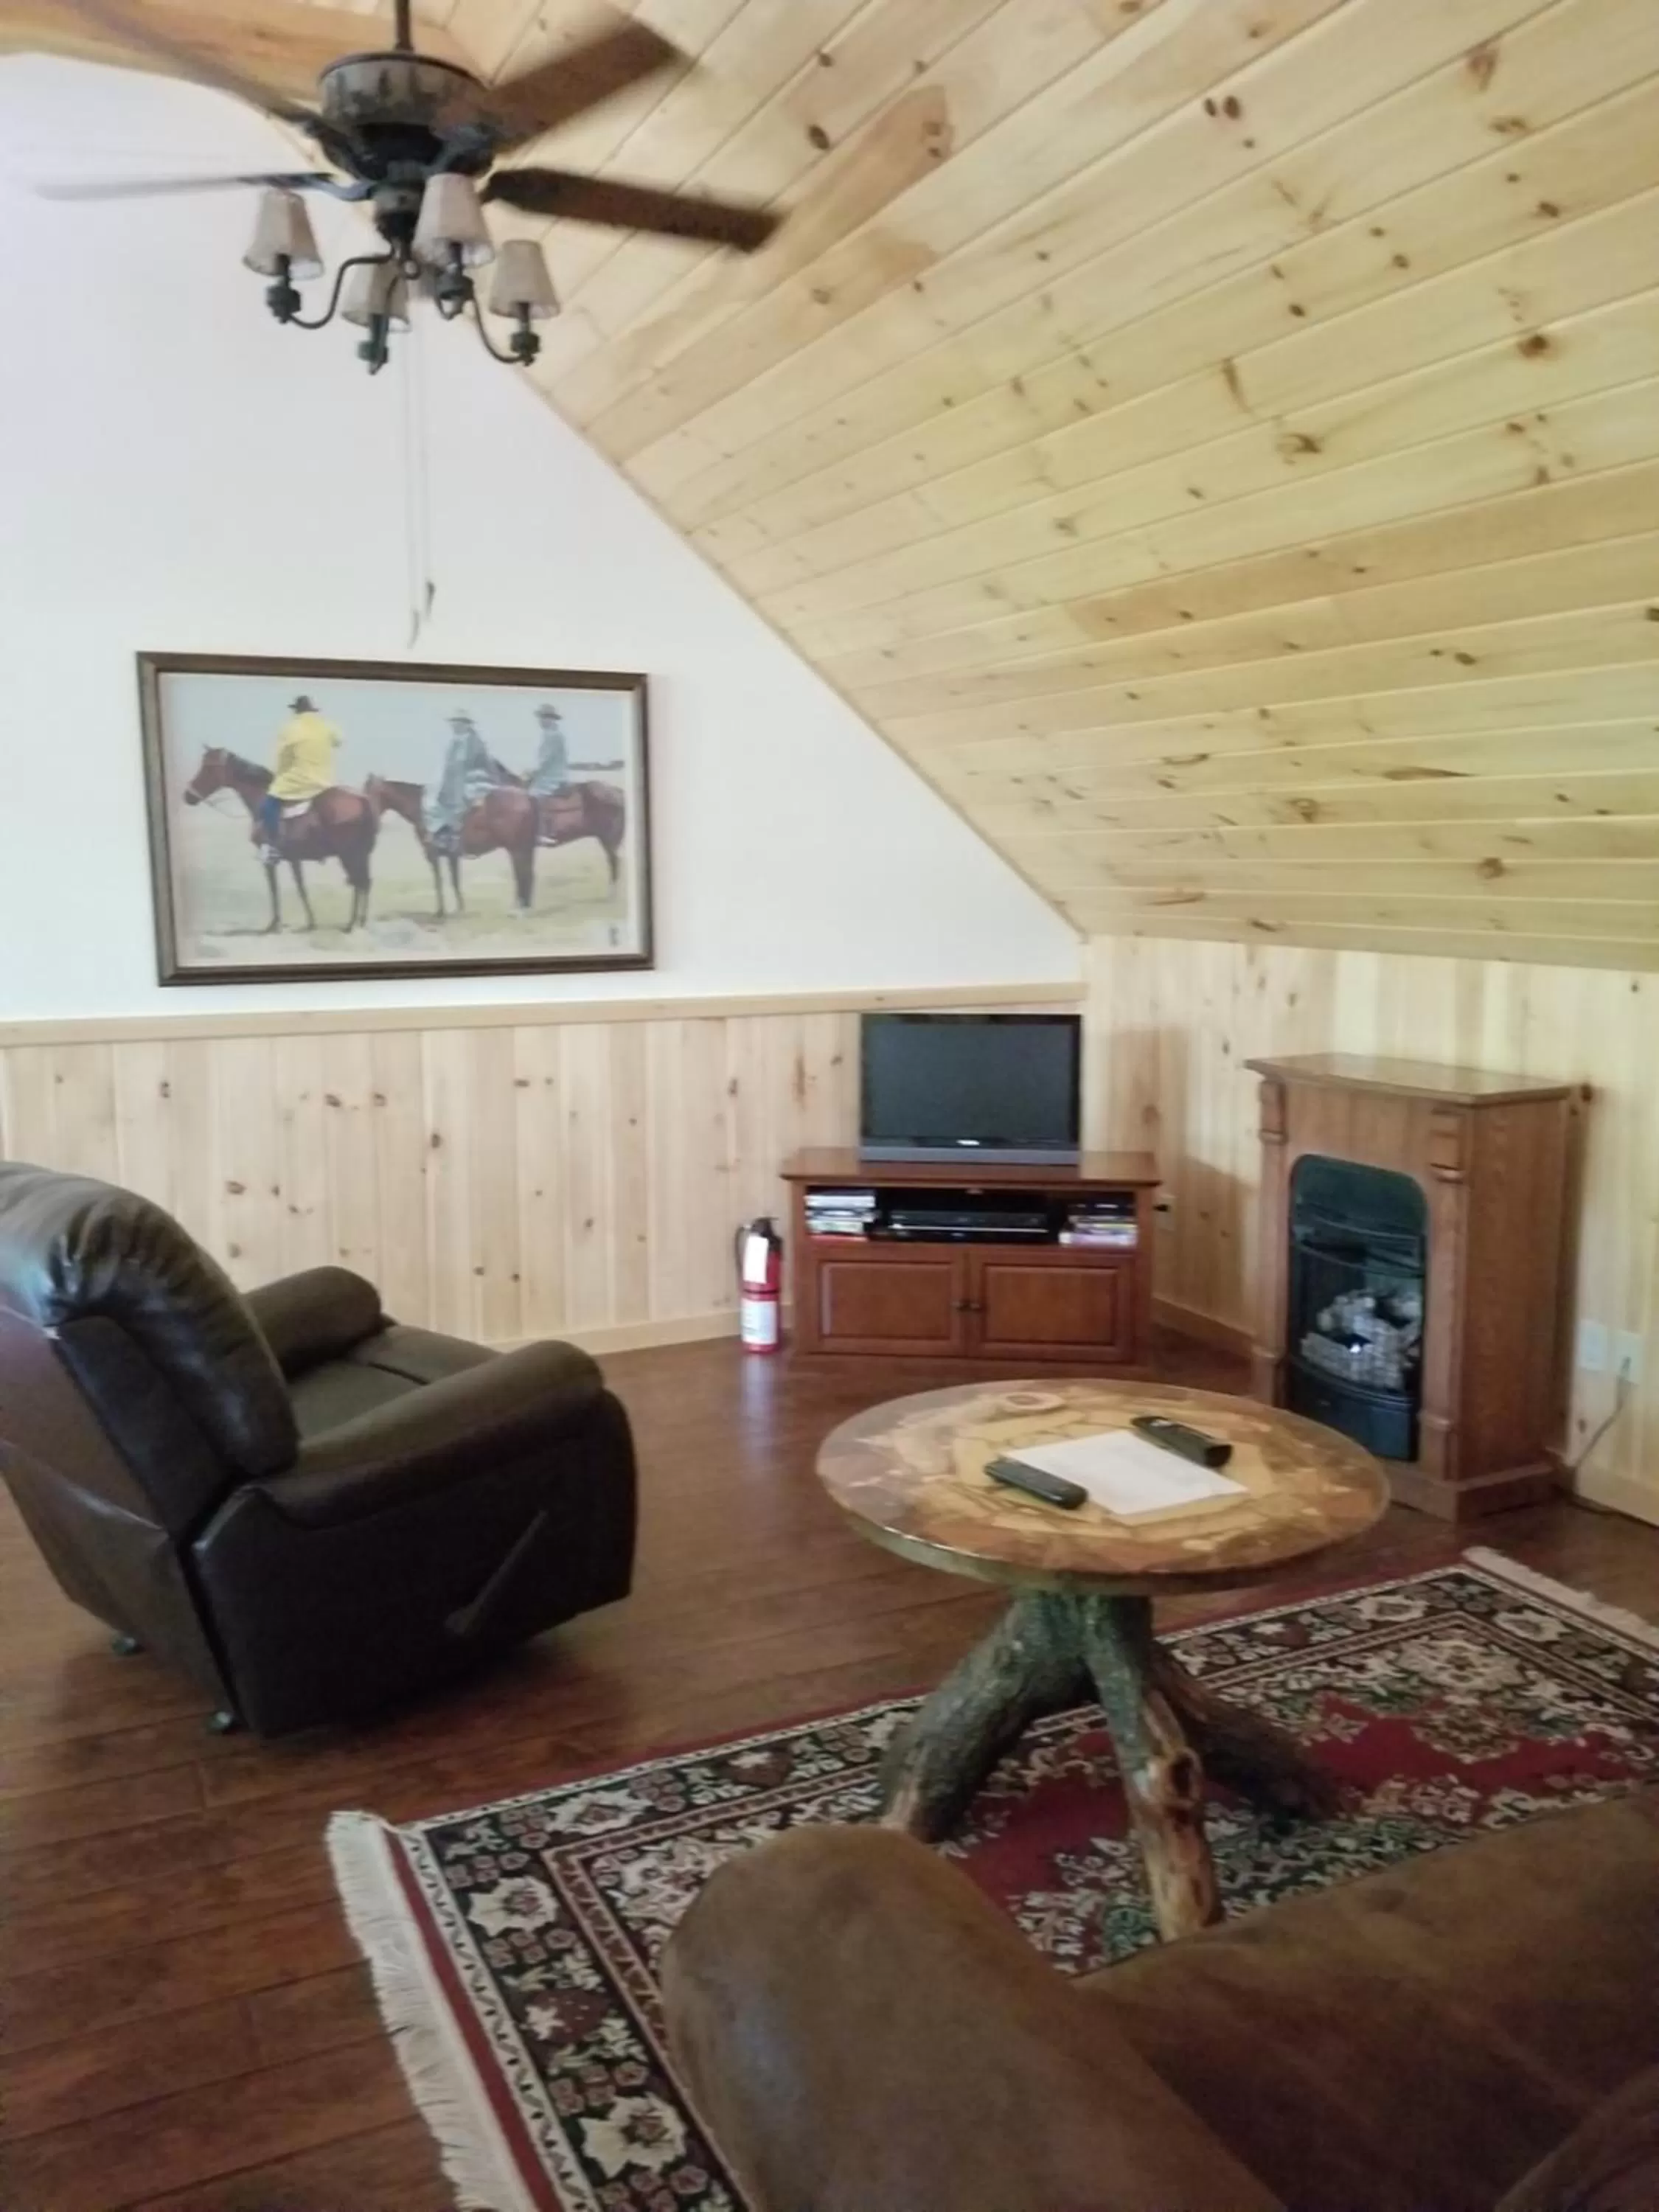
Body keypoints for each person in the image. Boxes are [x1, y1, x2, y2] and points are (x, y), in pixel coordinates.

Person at [260, 693, 341, 861]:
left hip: (299, 781)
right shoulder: (326, 726)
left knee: (268, 806)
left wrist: (279, 776)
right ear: (312, 710)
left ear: (296, 711)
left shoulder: (289, 729)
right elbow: (340, 741)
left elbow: (282, 758)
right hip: (326, 781)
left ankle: (273, 847)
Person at [425, 711, 504, 851]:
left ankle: (455, 834)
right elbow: (449, 767)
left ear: (467, 725)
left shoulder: (475, 742)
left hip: (475, 778)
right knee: (433, 797)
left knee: (459, 798)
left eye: (459, 723)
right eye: (454, 723)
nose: (455, 726)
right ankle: (443, 832)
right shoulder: (454, 742)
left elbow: (478, 764)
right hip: (456, 780)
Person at [526, 703, 571, 798]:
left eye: (545, 718)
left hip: (552, 779)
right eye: (541, 718)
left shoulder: (552, 736)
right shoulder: (553, 734)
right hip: (555, 777)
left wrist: (533, 773)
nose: (541, 721)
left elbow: (545, 761)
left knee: (531, 796)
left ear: (552, 720)